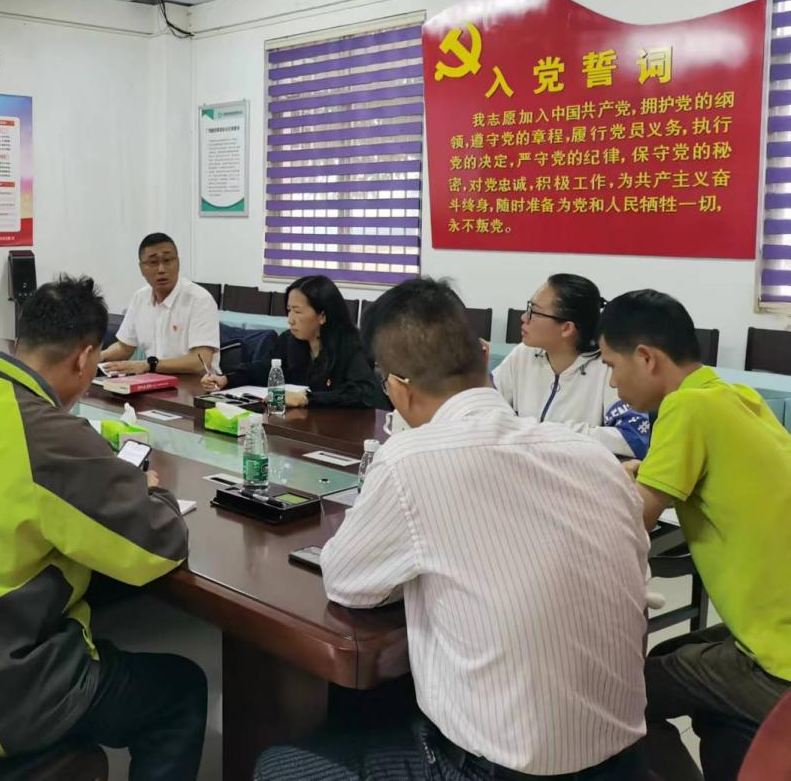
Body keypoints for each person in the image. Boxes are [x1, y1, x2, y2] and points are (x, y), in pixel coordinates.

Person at [256, 277, 649, 781]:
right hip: (623, 761)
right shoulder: (593, 457)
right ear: (483, 359)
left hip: (502, 769)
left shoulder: (410, 461)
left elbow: (347, 583)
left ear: (397, 388)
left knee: (278, 767)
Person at [0, 275, 206, 779]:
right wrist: (151, 490)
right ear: (85, 358)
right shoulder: (49, 434)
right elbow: (159, 547)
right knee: (180, 691)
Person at [598, 289, 791, 781]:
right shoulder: (737, 397)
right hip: (778, 628)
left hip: (780, 659)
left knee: (625, 695)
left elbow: (630, 521)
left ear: (646, 358)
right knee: (669, 658)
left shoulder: (685, 409)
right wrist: (638, 473)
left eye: (612, 366)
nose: (613, 383)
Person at [494, 273, 650, 457]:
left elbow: (633, 439)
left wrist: (545, 433)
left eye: (534, 312)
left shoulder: (609, 366)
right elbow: (483, 405)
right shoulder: (523, 354)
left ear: (567, 328)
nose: (524, 317)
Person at [201, 274, 386, 408]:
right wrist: (227, 379)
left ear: (322, 316)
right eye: (289, 310)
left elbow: (362, 393)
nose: (290, 319)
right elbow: (266, 368)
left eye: (297, 311)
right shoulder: (289, 340)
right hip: (299, 425)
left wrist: (306, 398)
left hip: (341, 431)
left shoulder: (352, 345)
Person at [101, 232, 219, 375]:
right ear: (141, 268)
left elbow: (200, 362)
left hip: (195, 384)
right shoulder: (140, 298)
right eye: (153, 262)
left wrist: (149, 365)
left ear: (178, 263)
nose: (161, 269)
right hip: (153, 382)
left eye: (167, 260)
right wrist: (99, 357)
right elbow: (124, 347)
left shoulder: (200, 300)